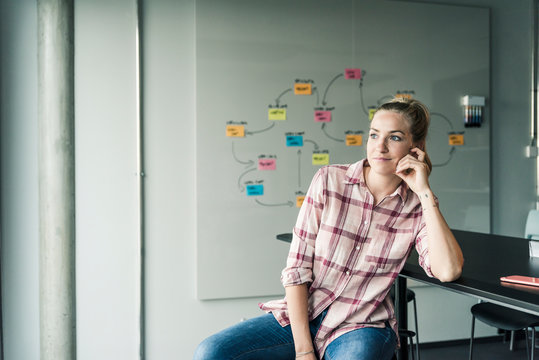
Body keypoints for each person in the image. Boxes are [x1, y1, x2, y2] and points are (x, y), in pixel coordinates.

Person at [193, 97, 464, 360]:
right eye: (373, 135)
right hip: (306, 314)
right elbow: (297, 271)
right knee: (211, 352)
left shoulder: (417, 205)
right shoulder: (328, 180)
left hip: (361, 324)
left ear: (416, 147)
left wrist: (425, 192)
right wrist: (304, 351)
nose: (379, 146)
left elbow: (448, 270)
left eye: (394, 137)